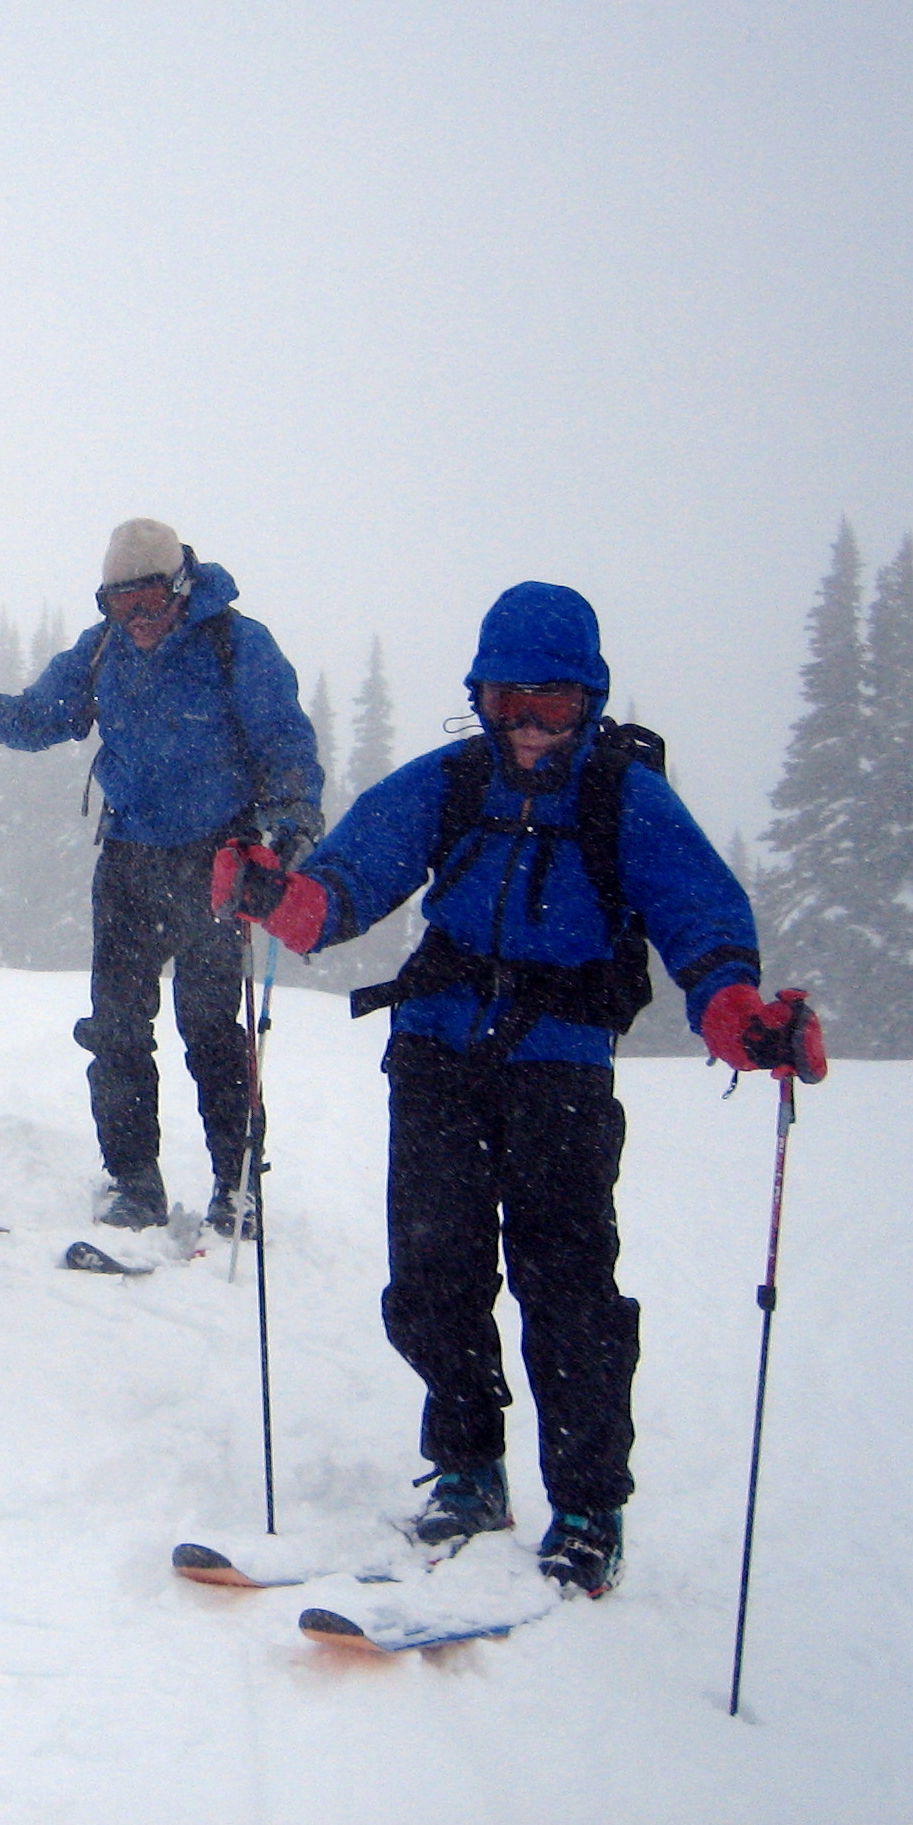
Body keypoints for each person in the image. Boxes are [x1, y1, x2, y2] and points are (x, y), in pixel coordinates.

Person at [213, 581, 825, 1597]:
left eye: (552, 703)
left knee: (568, 1288)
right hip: (436, 1051)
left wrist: (738, 1016)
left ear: (590, 700)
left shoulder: (625, 798)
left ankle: (586, 1508)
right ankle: (467, 1471)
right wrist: (277, 894)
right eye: (507, 701)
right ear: (480, 698)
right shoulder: (450, 782)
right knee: (433, 1274)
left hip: (562, 1067)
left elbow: (702, 920)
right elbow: (345, 886)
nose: (530, 725)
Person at [0, 518, 322, 1240]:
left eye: (148, 600)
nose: (136, 618)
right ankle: (134, 1183)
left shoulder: (237, 645)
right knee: (118, 1029)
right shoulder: (103, 652)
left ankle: (237, 1185)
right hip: (129, 861)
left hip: (219, 862)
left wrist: (290, 820)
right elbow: (34, 718)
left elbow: (285, 741)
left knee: (211, 1029)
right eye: (119, 603)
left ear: (181, 586)